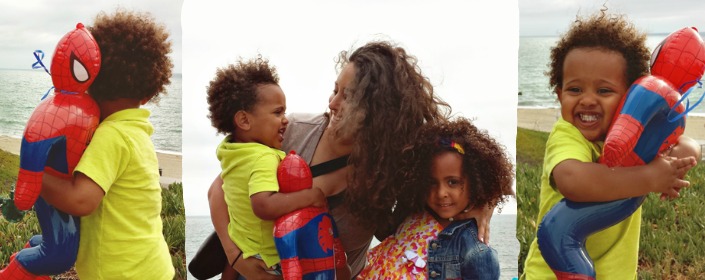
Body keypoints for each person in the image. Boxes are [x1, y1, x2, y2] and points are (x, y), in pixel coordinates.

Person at [189, 40, 502, 279]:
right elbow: (220, 189)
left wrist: (483, 207)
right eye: (334, 89)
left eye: (346, 95)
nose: (332, 103)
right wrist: (234, 255)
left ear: (378, 109)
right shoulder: (294, 132)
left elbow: (472, 160)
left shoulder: (394, 163)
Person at [521, 11, 700, 279]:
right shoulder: (568, 134)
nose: (587, 100)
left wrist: (686, 153)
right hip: (554, 272)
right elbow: (572, 180)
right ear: (559, 95)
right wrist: (649, 177)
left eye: (604, 91)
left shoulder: (637, 140)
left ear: (631, 97)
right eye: (575, 90)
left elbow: (686, 143)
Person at [39, 9, 175, 279]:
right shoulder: (136, 132)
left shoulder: (112, 135)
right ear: (148, 95)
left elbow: (80, 201)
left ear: (88, 82)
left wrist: (34, 174)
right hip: (150, 265)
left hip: (122, 273)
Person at [205, 55, 347, 279]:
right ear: (244, 121)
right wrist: (312, 196)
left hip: (247, 255)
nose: (285, 120)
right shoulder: (264, 157)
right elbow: (263, 205)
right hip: (270, 263)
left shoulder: (231, 151)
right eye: (277, 112)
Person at [358, 117, 513, 279]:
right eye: (431, 182)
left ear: (476, 182)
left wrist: (488, 200)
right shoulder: (414, 214)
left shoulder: (474, 252)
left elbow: (504, 184)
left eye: (453, 182)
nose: (441, 193)